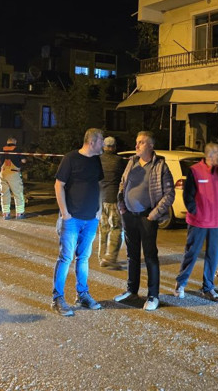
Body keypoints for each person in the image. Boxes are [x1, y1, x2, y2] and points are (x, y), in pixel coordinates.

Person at [114, 131, 175, 311]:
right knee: (132, 255)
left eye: (140, 143)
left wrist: (154, 214)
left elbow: (169, 194)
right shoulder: (132, 162)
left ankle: (153, 295)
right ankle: (132, 290)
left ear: (150, 145)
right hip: (129, 215)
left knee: (150, 256)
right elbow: (122, 184)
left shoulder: (160, 166)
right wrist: (122, 206)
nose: (136, 146)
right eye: (136, 142)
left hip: (147, 217)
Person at [51, 128, 105, 316]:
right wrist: (65, 213)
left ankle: (82, 295)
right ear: (92, 142)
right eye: (101, 141)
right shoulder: (70, 158)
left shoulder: (96, 160)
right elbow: (59, 185)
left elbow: (99, 185)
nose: (104, 145)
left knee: (83, 258)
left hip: (91, 219)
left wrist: (99, 209)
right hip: (72, 218)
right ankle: (58, 298)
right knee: (66, 257)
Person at [174, 143, 218, 302]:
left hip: (217, 222)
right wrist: (196, 211)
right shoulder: (194, 171)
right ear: (210, 155)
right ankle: (181, 283)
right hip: (199, 221)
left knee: (213, 256)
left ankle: (208, 288)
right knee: (191, 253)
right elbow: (188, 196)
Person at [97, 136, 124, 269]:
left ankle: (102, 256)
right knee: (117, 228)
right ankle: (110, 257)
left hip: (100, 199)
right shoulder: (118, 160)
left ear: (103, 146)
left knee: (103, 228)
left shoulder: (97, 160)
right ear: (114, 147)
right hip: (113, 198)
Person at [0, 137, 27, 220]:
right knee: (18, 193)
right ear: (15, 142)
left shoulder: (2, 149)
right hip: (13, 173)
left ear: (7, 142)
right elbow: (23, 161)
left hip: (3, 173)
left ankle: (6, 214)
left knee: (4, 194)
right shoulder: (17, 149)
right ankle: (20, 213)